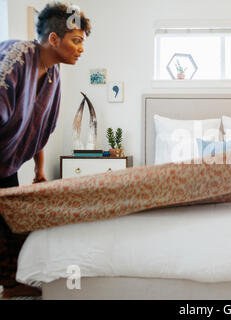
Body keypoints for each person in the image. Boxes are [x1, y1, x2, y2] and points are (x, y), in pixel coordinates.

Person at [0, 2, 91, 298]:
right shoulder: (16, 56)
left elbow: (37, 125)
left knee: (12, 226)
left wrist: (39, 169)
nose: (80, 49)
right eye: (76, 41)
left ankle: (11, 286)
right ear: (54, 39)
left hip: (6, 164)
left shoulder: (53, 75)